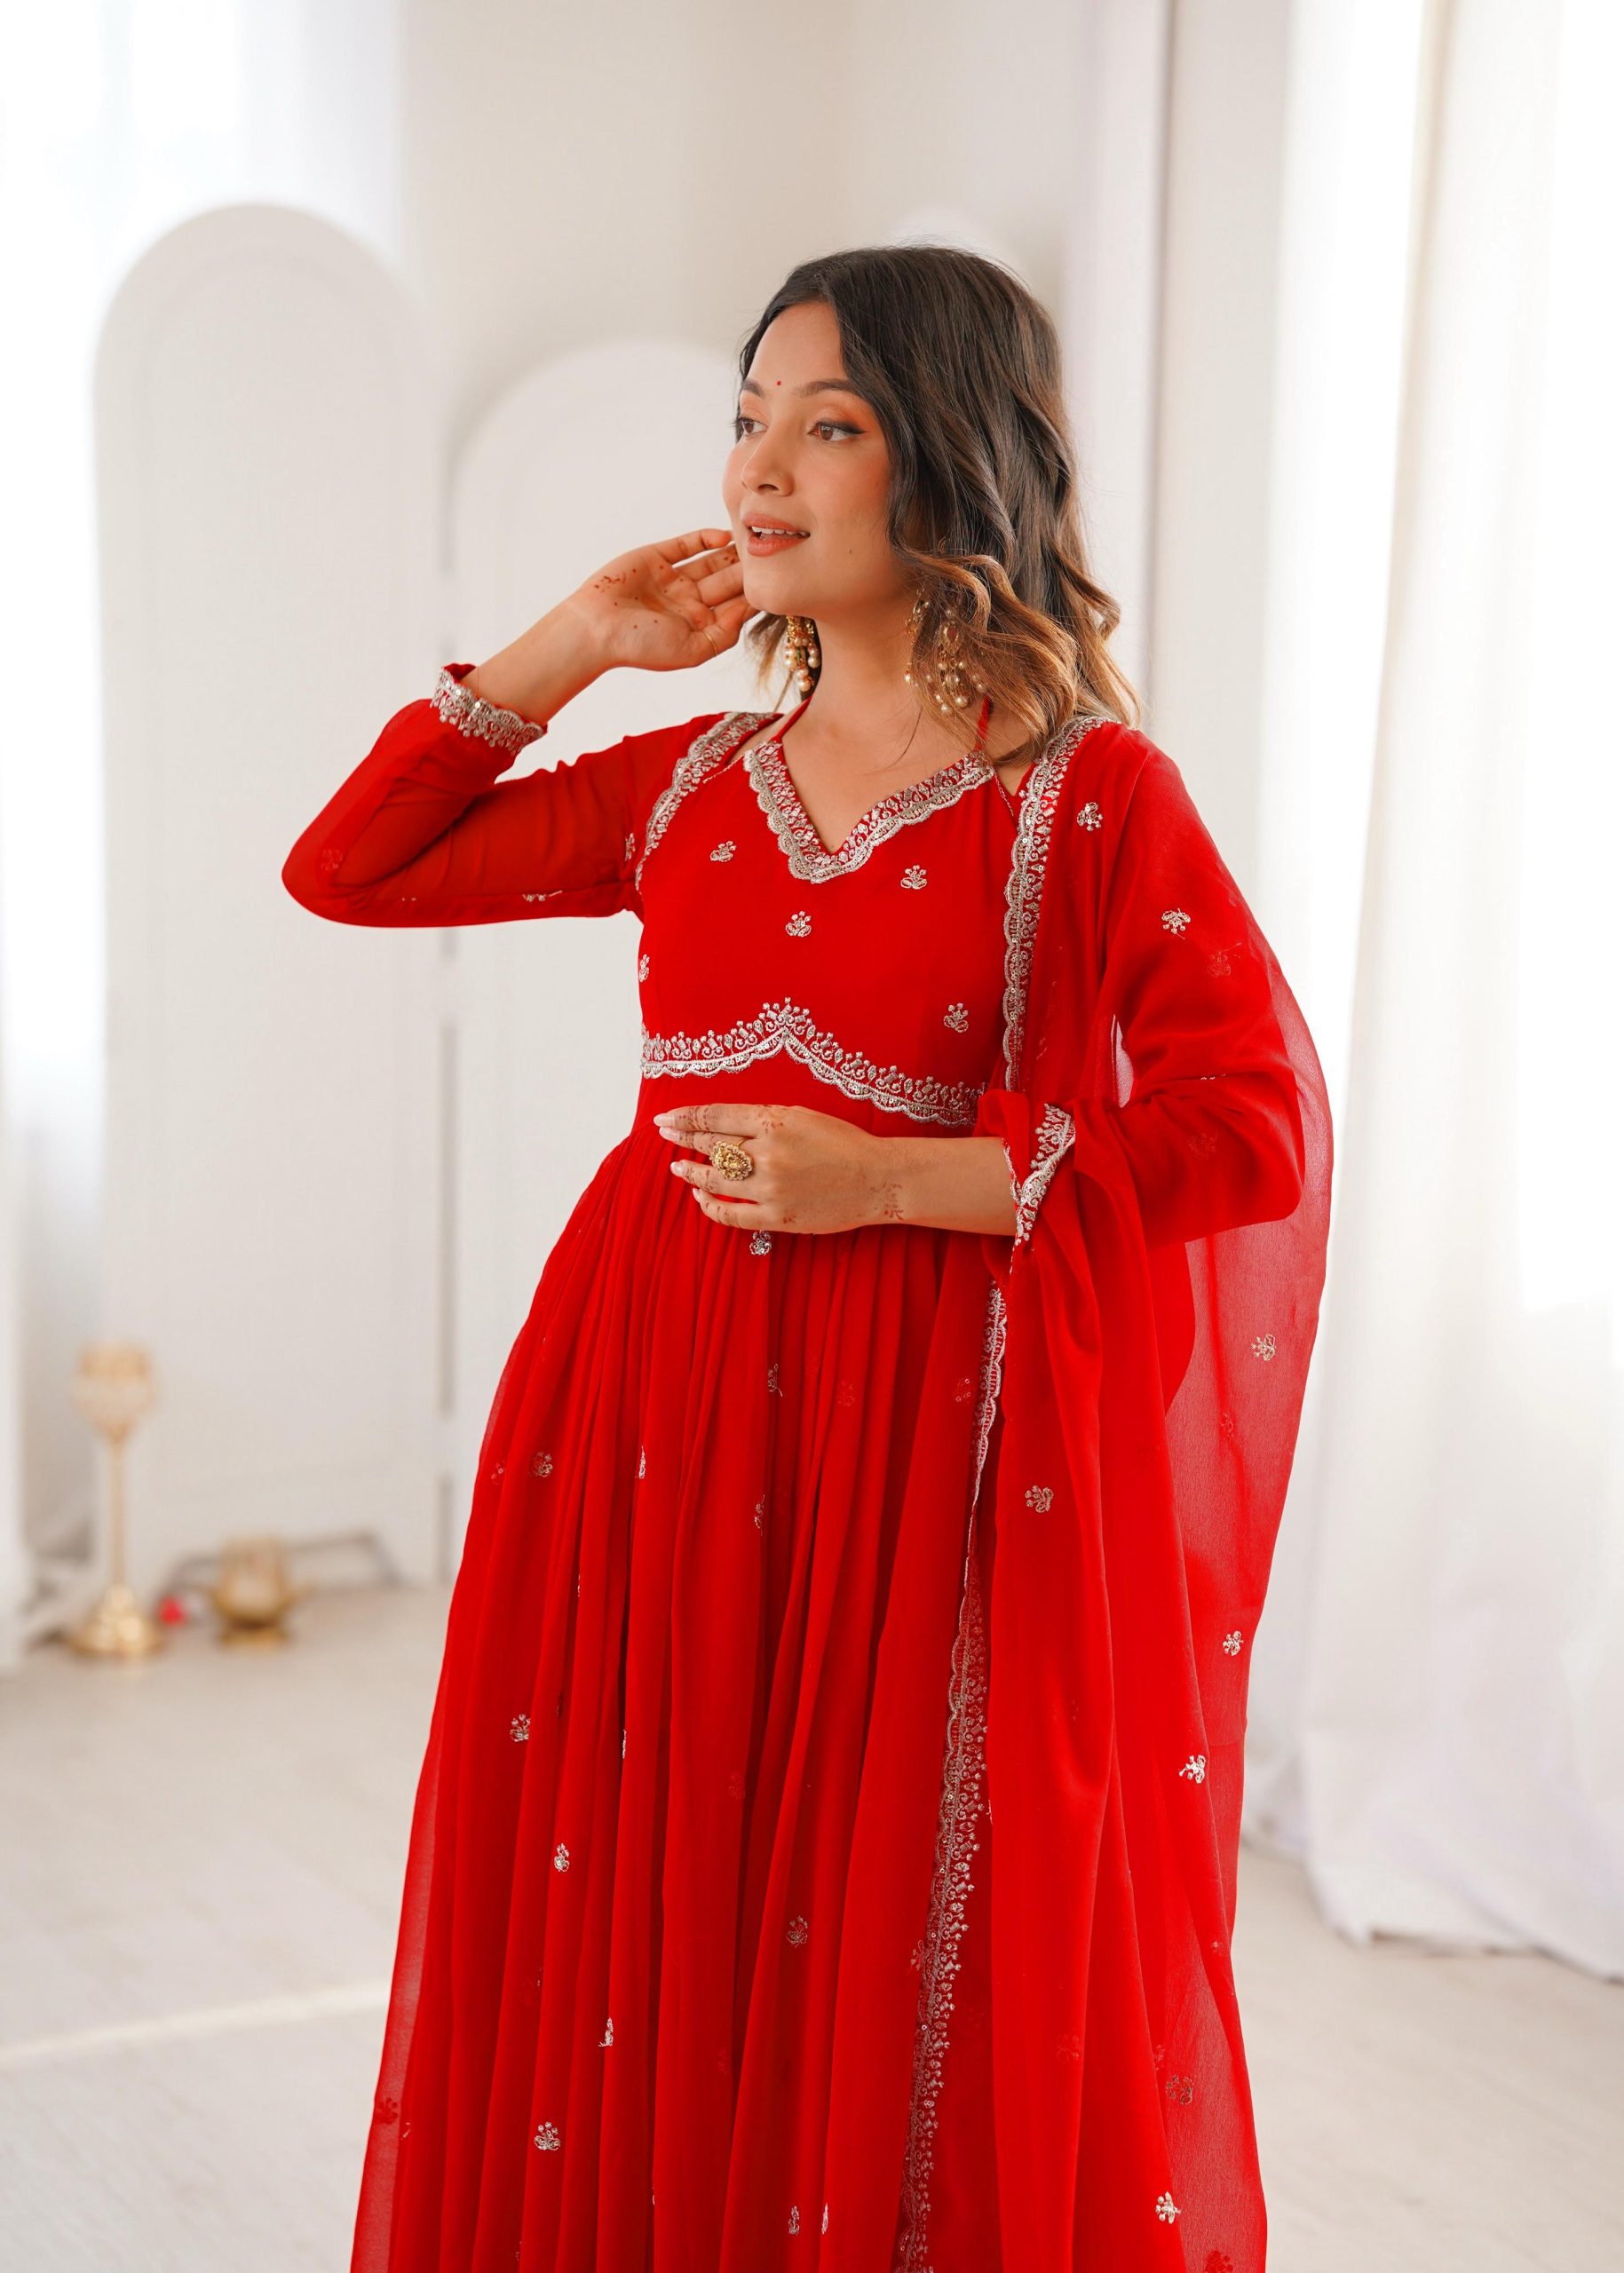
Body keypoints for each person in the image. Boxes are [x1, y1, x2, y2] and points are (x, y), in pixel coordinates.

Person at [282, 244, 1332, 2273]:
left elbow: (1252, 1130)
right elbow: (351, 869)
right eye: (746, 421)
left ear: (942, 461)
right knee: (650, 1886)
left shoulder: (1084, 799)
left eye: (824, 425)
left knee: (879, 1912)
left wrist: (904, 1181)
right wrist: (575, 642)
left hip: (925, 1447)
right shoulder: (686, 782)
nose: (758, 471)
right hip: (646, 1414)